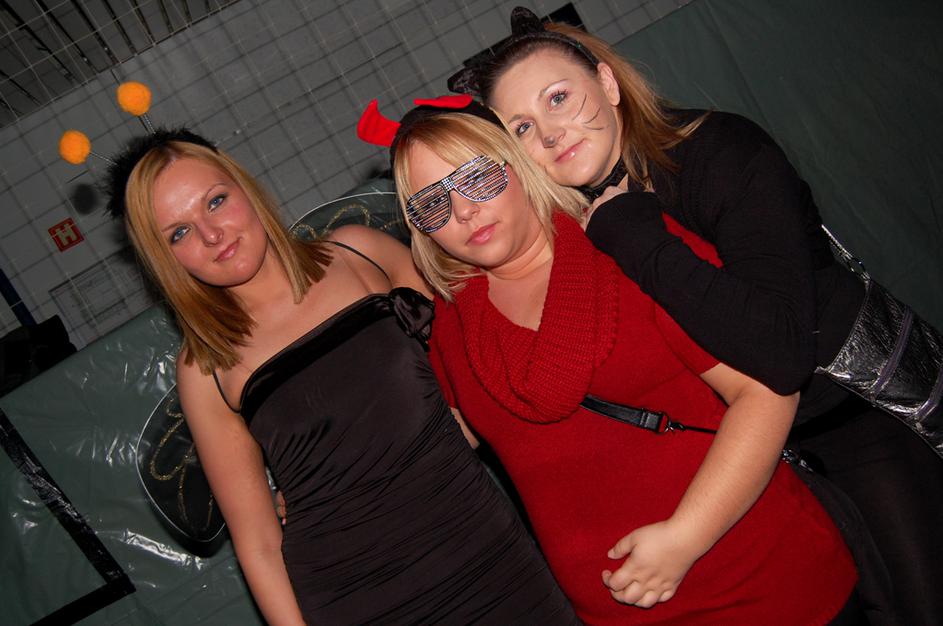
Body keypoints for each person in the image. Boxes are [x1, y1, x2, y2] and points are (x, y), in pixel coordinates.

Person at [448, 8, 943, 625]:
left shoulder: (717, 152)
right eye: (522, 127)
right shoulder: (572, 221)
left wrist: (632, 235)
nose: (549, 135)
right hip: (766, 461)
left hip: (855, 414)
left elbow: (782, 353)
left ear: (607, 83)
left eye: (558, 98)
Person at [361, 94, 860, 625]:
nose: (463, 210)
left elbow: (767, 391)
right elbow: (439, 448)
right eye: (432, 203)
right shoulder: (453, 323)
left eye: (476, 178)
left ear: (518, 164)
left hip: (770, 589)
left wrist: (685, 538)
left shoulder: (626, 246)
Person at [106, 128, 578, 625]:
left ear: (243, 186)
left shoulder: (359, 253)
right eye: (179, 233)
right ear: (165, 259)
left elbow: (479, 364)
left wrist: (444, 431)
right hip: (356, 598)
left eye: (216, 202)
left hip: (485, 549)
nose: (211, 235)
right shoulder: (205, 366)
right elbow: (259, 543)